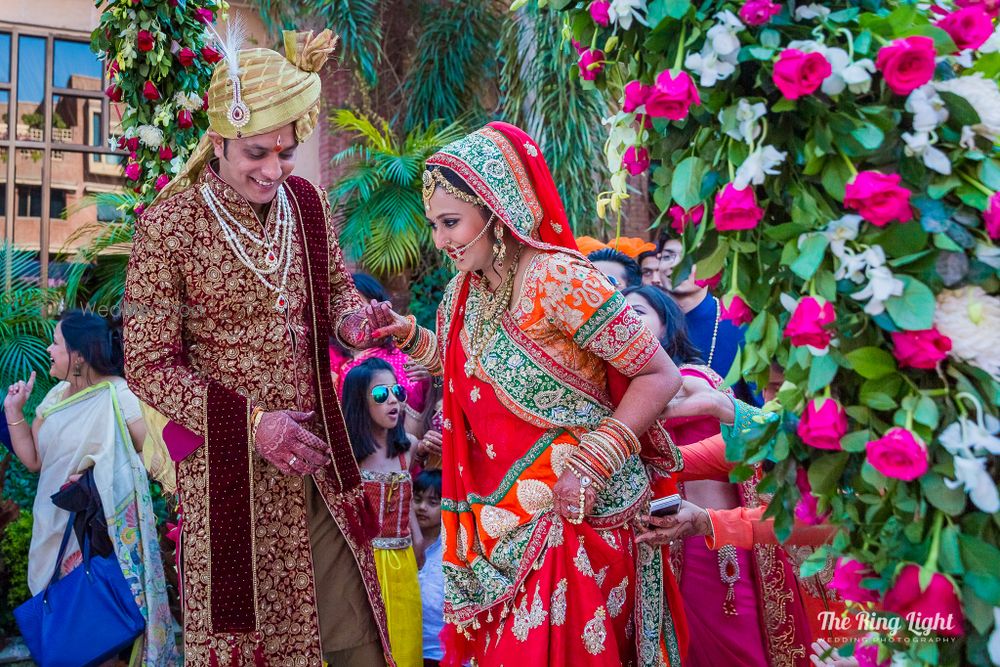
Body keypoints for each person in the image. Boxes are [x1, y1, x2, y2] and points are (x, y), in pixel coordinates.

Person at [365, 121, 685, 667]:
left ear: (496, 211)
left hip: (578, 511)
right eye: (435, 226)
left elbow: (659, 375)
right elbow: (464, 364)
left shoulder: (558, 279)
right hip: (502, 522)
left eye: (451, 223)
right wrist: (409, 336)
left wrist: (589, 464)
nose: (440, 241)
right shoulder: (463, 291)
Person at [123, 27, 391, 665]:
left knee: (350, 632)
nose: (273, 170)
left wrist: (357, 325)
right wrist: (252, 424)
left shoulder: (305, 203)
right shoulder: (170, 226)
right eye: (255, 154)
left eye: (285, 153)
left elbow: (335, 293)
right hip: (229, 475)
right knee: (249, 637)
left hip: (318, 455)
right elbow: (147, 364)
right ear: (217, 142)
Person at [4, 310, 176, 665]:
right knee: (64, 625)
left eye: (57, 343)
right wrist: (14, 410)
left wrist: (94, 475)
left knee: (97, 627)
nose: (49, 350)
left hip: (94, 530)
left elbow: (153, 458)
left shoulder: (119, 395)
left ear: (79, 355)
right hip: (50, 527)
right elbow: (36, 460)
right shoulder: (54, 397)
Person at [344, 358, 423, 667]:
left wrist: (416, 540)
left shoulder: (408, 448)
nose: (392, 399)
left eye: (397, 391)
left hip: (403, 564)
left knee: (403, 645)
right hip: (361, 566)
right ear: (359, 403)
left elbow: (408, 499)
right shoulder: (348, 456)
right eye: (380, 394)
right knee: (365, 647)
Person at [338, 273, 430, 435]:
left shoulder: (404, 354)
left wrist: (432, 375)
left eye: (358, 304)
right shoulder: (342, 365)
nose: (352, 315)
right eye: (344, 309)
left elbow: (421, 399)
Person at [413, 469, 444, 667]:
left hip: (442, 653)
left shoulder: (453, 549)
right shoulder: (399, 544)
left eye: (433, 503)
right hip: (407, 648)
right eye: (417, 499)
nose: (422, 508)